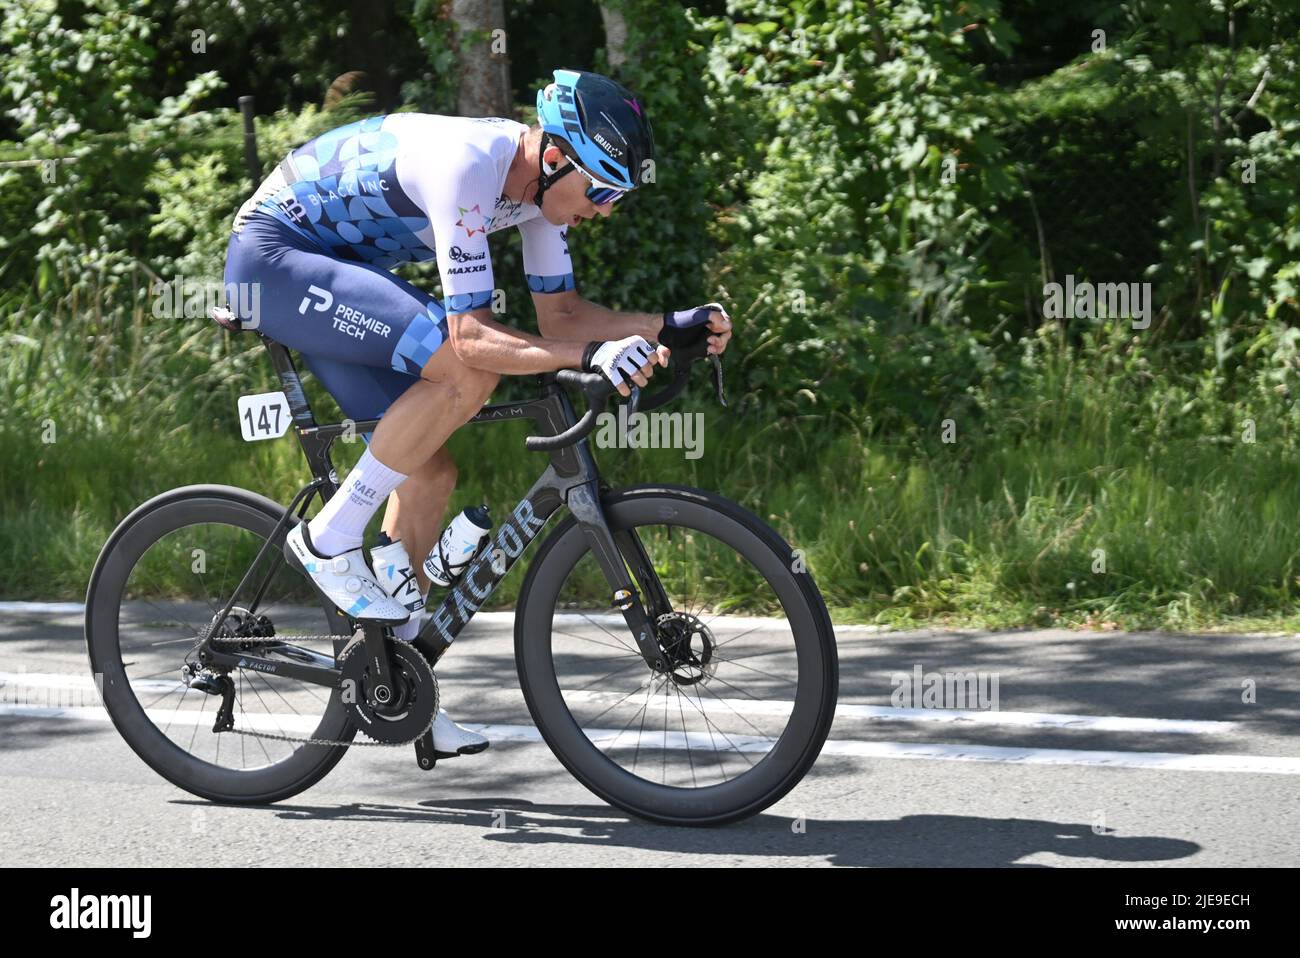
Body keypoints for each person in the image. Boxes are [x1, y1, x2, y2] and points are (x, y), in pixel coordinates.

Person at [222, 68, 733, 756]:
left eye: (618, 196)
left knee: (429, 475)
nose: (606, 209)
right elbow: (472, 338)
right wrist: (587, 357)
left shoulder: (537, 196)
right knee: (467, 371)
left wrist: (664, 328)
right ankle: (328, 538)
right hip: (275, 260)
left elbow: (568, 316)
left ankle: (401, 690)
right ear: (556, 157)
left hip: (333, 270)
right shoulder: (468, 168)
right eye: (603, 189)